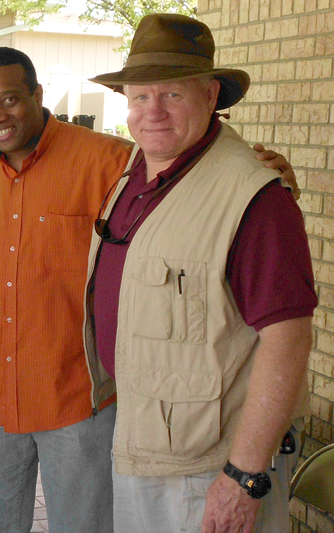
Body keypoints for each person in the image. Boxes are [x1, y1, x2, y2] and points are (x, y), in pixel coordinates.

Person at [0, 46, 298, 533]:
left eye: (8, 99)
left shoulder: (112, 161)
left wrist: (263, 175)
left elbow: (196, 170)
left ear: (37, 95)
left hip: (76, 396)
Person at [85, 14, 317, 533]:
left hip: (209, 467)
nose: (154, 113)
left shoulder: (254, 199)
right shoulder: (137, 173)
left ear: (211, 95)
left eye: (172, 95)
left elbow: (288, 340)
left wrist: (244, 477)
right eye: (141, 96)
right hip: (148, 442)